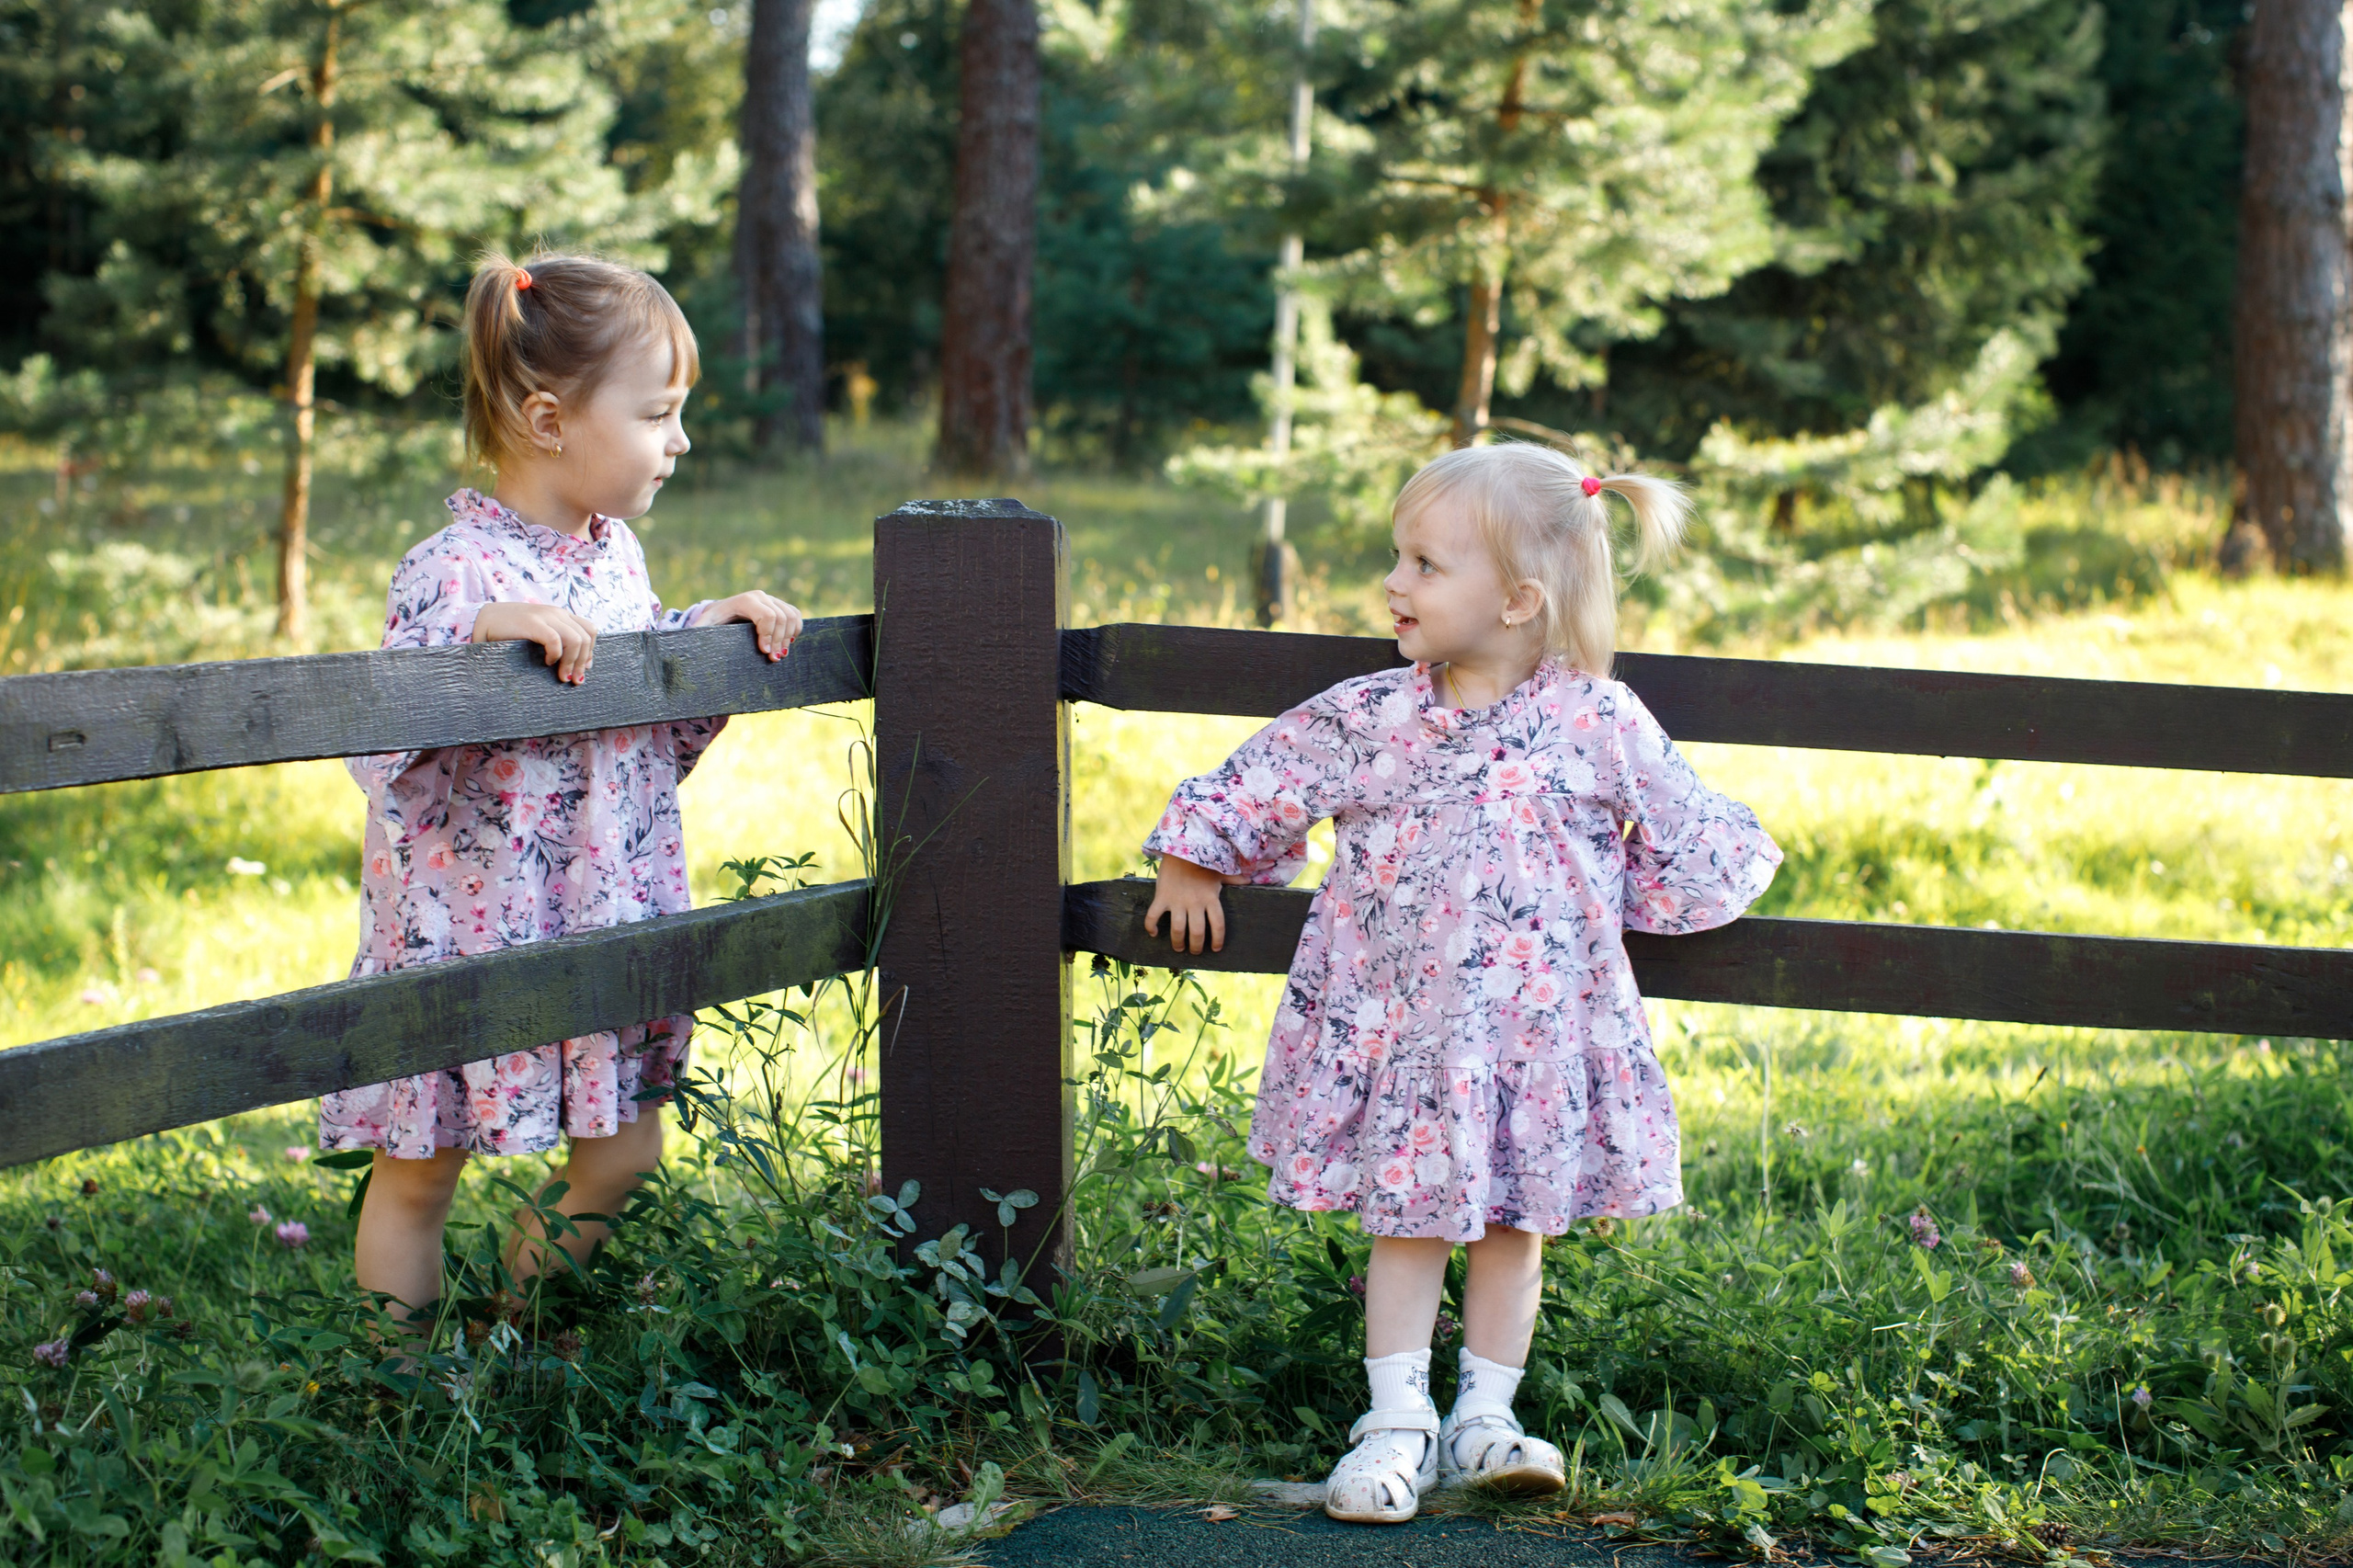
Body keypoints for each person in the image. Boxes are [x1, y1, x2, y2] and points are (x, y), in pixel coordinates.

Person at [1142, 443, 1779, 1524]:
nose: (1395, 584)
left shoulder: (1599, 722)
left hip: (1533, 1040)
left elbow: (1701, 850)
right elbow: (1259, 782)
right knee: (1408, 1218)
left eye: (1425, 565)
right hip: (1402, 1031)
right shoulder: (1371, 716)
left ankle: (1487, 1415)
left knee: (1513, 1224)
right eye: (1399, 558)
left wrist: (1601, 889)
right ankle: (1393, 1422)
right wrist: (1189, 857)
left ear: (1520, 597)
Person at [320, 252, 803, 1334]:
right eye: (657, 413)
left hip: (599, 914)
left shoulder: (615, 556)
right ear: (547, 417)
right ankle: (392, 1391)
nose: (678, 441)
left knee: (626, 1150)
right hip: (469, 933)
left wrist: (704, 635)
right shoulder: (453, 568)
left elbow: (635, 718)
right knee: (420, 1172)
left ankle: (509, 1334)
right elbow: (376, 733)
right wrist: (482, 642)